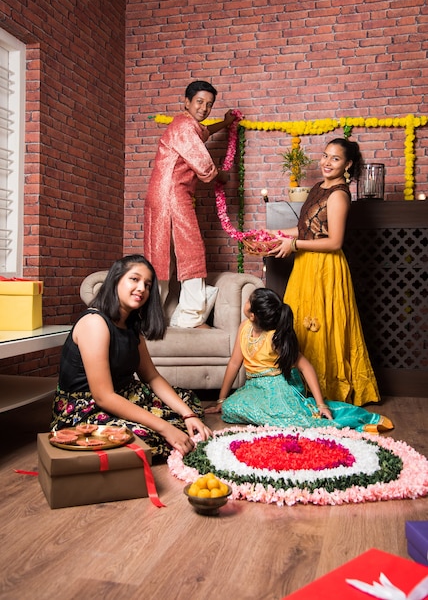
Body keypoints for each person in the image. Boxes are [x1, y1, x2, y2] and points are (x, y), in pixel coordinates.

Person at [51, 254, 212, 459]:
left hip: (125, 394)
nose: (142, 289)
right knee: (150, 438)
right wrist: (165, 428)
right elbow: (103, 396)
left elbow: (151, 377)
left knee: (188, 403)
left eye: (147, 284)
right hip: (87, 409)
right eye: (134, 279)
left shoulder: (131, 325)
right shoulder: (95, 323)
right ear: (116, 279)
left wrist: (187, 414)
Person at [270, 138, 379, 406]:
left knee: (322, 327)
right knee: (298, 326)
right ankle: (302, 385)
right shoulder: (319, 187)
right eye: (325, 156)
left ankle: (326, 388)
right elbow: (308, 230)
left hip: (326, 267)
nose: (326, 162)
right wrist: (276, 234)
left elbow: (334, 242)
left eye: (335, 159)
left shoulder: (339, 194)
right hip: (306, 264)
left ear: (348, 165)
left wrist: (293, 244)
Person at [206, 288, 393, 433]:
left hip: (278, 386)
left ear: (253, 314)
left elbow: (306, 367)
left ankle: (359, 421)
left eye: (248, 300)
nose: (245, 301)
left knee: (295, 419)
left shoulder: (274, 338)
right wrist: (221, 400)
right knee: (229, 409)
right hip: (256, 386)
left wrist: (320, 404)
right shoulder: (244, 327)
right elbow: (234, 363)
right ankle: (264, 413)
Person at [144, 80, 238, 329]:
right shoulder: (185, 127)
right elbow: (205, 167)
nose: (205, 108)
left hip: (162, 193)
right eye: (199, 102)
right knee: (191, 250)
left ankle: (152, 317)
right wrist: (223, 176)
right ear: (186, 102)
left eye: (209, 105)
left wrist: (226, 124)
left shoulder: (185, 125)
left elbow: (204, 132)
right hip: (172, 194)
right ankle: (191, 317)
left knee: (160, 255)